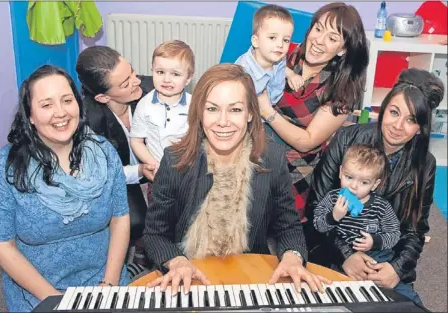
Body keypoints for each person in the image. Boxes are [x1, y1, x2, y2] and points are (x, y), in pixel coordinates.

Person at [141, 63, 329, 295]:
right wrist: (177, 262)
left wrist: (293, 256)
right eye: (212, 109)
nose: (223, 121)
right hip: (189, 279)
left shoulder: (272, 158)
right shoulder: (174, 160)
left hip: (248, 277)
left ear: (251, 113)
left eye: (235, 110)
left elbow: (288, 225)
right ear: (199, 112)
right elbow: (154, 234)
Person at [0, 65, 130, 312]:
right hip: (38, 290)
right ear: (30, 116)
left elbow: (120, 219)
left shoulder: (105, 153)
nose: (60, 113)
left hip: (104, 281)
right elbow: (2, 245)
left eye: (67, 100)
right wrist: (57, 300)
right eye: (46, 105)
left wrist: (108, 285)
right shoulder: (8, 167)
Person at [305, 68, 445, 304]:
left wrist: (396, 269)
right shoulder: (347, 139)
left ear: (420, 127)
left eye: (411, 120)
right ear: (383, 109)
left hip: (386, 260)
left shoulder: (425, 164)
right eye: (394, 112)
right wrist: (346, 256)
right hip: (334, 253)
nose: (398, 126)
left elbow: (415, 230)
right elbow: (316, 209)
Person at [257, 2, 369, 219]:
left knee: (280, 231)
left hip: (294, 167)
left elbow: (307, 140)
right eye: (318, 29)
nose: (319, 41)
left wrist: (266, 110)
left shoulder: (342, 89)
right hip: (258, 149)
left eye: (332, 38)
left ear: (343, 49)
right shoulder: (287, 53)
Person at [76, 46, 154, 270]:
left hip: (152, 165)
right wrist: (139, 171)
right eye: (125, 83)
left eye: (132, 72)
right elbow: (100, 174)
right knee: (136, 220)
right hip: (118, 176)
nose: (137, 81)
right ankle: (139, 250)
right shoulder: (87, 122)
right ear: (102, 97)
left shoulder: (152, 89)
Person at [313, 144, 401, 262]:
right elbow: (318, 226)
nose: (353, 186)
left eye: (364, 182)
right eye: (349, 177)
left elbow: (394, 234)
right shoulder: (332, 198)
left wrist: (375, 241)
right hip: (340, 253)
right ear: (340, 172)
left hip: (374, 254)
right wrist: (333, 217)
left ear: (375, 184)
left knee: (385, 271)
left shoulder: (382, 206)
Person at [130, 40, 195, 180]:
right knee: (157, 201)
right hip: (158, 175)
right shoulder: (144, 105)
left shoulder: (194, 105)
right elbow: (136, 141)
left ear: (189, 78)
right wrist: (153, 164)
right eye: (160, 72)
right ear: (152, 70)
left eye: (175, 74)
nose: (166, 79)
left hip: (188, 174)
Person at [235, 4, 295, 105]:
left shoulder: (278, 57)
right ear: (256, 41)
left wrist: (291, 75)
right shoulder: (243, 73)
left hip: (273, 103)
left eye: (286, 40)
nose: (280, 44)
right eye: (272, 38)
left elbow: (281, 67)